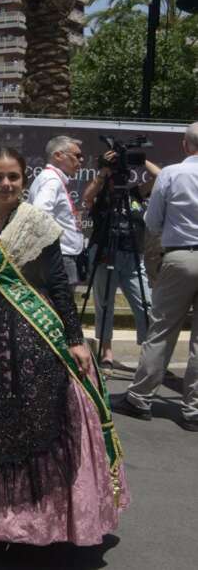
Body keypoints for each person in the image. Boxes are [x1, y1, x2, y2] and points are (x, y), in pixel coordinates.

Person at [0, 147, 128, 545]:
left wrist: (75, 338)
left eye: (14, 178)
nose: (6, 184)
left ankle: (30, 522)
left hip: (31, 330)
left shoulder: (40, 224)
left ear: (24, 181)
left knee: (36, 417)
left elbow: (58, 285)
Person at [114, 122, 198, 432]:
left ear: (185, 145)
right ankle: (194, 409)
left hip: (180, 255)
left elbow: (152, 221)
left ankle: (140, 398)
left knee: (162, 329)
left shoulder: (173, 174)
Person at [82, 151, 161, 373]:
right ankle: (107, 354)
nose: (121, 180)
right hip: (106, 253)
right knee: (105, 305)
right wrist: (104, 171)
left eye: (124, 175)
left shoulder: (135, 194)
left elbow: (161, 177)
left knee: (146, 305)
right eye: (117, 176)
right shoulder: (102, 198)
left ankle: (149, 356)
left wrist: (140, 159)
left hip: (133, 257)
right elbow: (87, 197)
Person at [28, 136, 86, 284]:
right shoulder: (52, 180)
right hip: (60, 256)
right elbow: (39, 213)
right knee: (63, 305)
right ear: (58, 156)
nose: (81, 160)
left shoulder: (51, 178)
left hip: (60, 255)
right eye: (77, 156)